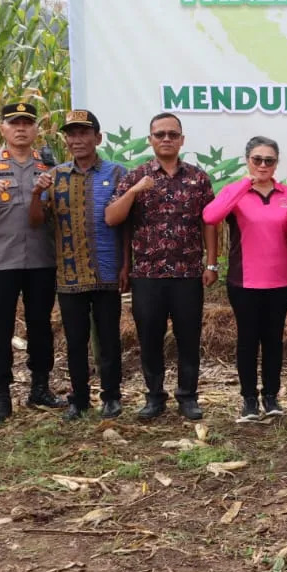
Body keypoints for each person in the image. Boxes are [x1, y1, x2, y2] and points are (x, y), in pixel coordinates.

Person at [105, 113, 217, 421]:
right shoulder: (135, 176)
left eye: (172, 134)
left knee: (188, 337)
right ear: (150, 139)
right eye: (159, 134)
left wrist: (212, 263)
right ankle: (154, 397)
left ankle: (188, 396)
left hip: (187, 273)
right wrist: (133, 191)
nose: (166, 139)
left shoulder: (198, 178)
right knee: (150, 337)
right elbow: (113, 218)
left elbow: (209, 223)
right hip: (147, 275)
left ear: (182, 139)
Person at [0, 102, 64, 423]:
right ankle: (1, 395)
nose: (21, 129)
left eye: (27, 123)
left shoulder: (49, 166)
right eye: (14, 123)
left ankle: (40, 388)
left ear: (36, 130)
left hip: (41, 260)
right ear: (2, 129)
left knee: (41, 326)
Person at [29, 110, 126, 421]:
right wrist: (35, 193)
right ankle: (79, 399)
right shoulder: (54, 177)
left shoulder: (118, 173)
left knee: (110, 339)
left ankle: (111, 396)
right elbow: (36, 221)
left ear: (97, 138)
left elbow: (128, 226)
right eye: (71, 134)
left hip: (108, 272)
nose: (77, 139)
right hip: (69, 274)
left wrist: (127, 266)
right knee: (75, 341)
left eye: (84, 133)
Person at [202, 136, 287, 422]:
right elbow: (211, 216)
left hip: (280, 283)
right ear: (248, 160)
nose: (262, 165)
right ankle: (248, 399)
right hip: (244, 282)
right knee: (247, 340)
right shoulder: (236, 192)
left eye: (269, 160)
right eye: (257, 159)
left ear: (276, 163)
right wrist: (244, 185)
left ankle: (271, 396)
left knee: (273, 341)